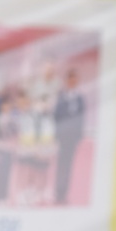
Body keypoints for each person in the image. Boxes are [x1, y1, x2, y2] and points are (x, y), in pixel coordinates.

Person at [51, 66, 85, 205]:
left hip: (73, 137)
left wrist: (79, 135)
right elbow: (56, 116)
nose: (73, 81)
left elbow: (82, 118)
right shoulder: (61, 96)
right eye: (70, 78)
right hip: (62, 136)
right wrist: (56, 134)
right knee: (61, 164)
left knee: (69, 164)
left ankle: (64, 194)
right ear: (67, 80)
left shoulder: (79, 98)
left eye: (75, 78)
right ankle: (58, 192)